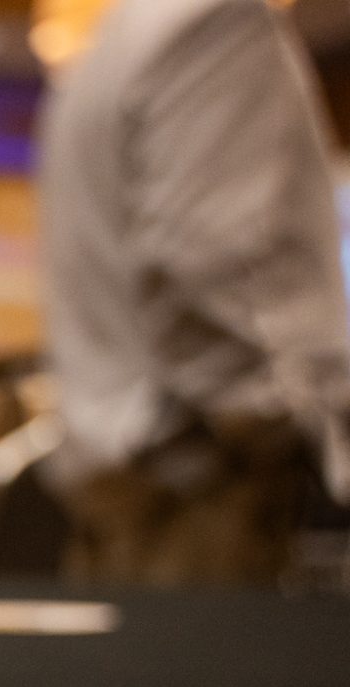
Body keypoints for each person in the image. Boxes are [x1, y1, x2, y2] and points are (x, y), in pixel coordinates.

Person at [37, 0, 350, 586]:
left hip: (130, 472)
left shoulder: (108, 41)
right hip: (198, 479)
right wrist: (285, 427)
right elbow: (216, 266)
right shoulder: (216, 19)